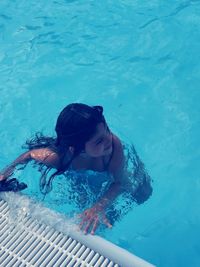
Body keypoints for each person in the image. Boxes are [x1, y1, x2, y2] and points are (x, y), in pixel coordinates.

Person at [0, 103, 152, 234]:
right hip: (76, 175)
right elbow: (29, 155)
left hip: (109, 173)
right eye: (99, 140)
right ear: (76, 149)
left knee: (143, 193)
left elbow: (119, 182)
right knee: (84, 211)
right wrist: (5, 173)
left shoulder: (113, 147)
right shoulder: (59, 158)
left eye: (107, 129)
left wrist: (99, 206)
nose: (108, 138)